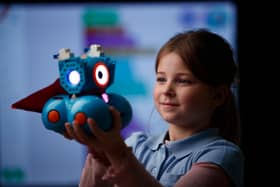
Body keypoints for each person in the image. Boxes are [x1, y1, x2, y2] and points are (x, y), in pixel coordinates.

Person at [63, 28, 244, 187]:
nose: (167, 90)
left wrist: (115, 151)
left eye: (183, 81)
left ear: (218, 95)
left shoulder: (222, 155)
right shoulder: (135, 144)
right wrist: (99, 153)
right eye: (161, 79)